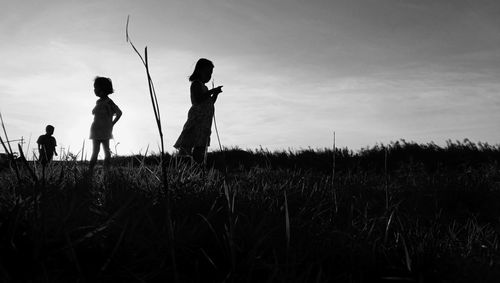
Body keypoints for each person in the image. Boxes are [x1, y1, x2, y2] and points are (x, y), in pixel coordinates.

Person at [174, 58, 223, 163]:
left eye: (210, 73)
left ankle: (198, 169)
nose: (209, 76)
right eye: (207, 72)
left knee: (200, 147)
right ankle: (181, 166)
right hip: (196, 121)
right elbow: (198, 99)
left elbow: (209, 102)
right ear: (199, 70)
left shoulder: (205, 88)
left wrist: (215, 94)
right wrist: (211, 91)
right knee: (187, 145)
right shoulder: (196, 84)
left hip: (204, 123)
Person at [89, 76, 122, 171]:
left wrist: (112, 123)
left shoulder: (109, 102)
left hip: (104, 130)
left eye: (95, 87)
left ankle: (106, 171)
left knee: (106, 152)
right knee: (96, 151)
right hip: (96, 129)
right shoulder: (98, 102)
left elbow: (119, 113)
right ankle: (90, 171)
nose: (94, 90)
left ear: (102, 89)